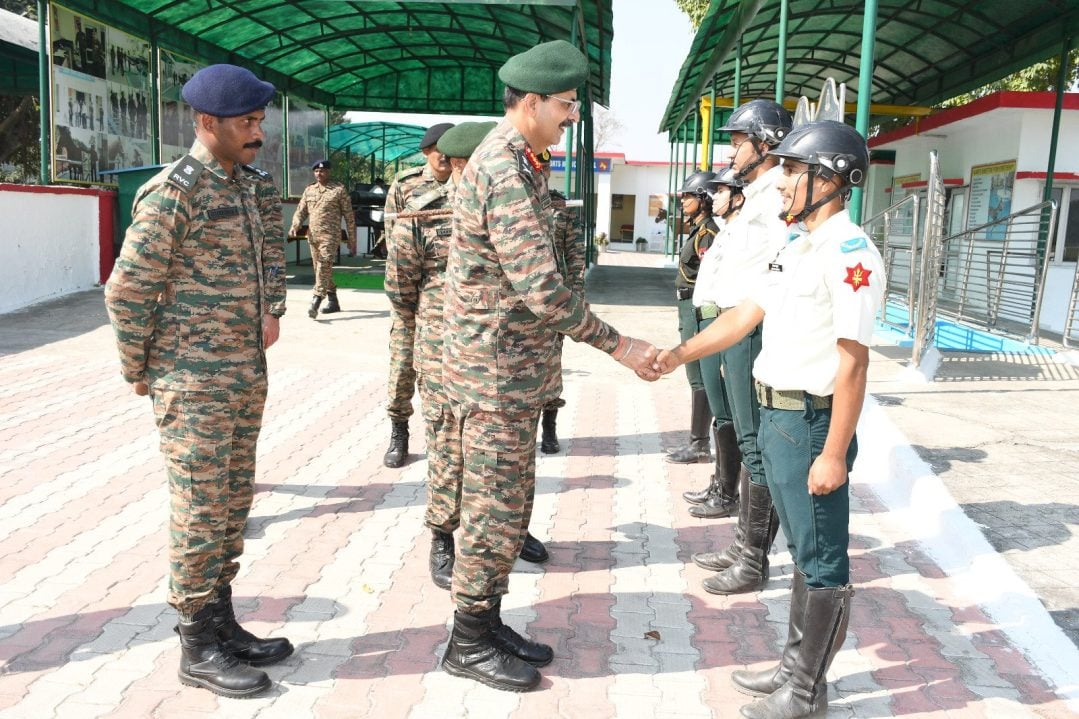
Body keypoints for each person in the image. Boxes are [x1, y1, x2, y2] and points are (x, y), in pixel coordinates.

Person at [440, 39, 658, 692]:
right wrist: (618, 344)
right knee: (491, 509)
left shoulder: (522, 161)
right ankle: (467, 638)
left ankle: (488, 618)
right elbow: (540, 286)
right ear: (529, 102)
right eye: (565, 105)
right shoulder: (503, 167)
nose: (570, 116)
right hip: (493, 373)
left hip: (513, 368)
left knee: (509, 506)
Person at [654, 120, 884, 719]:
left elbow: (853, 365)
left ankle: (806, 693)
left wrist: (834, 453)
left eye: (795, 172)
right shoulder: (796, 245)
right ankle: (792, 669)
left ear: (833, 179)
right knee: (803, 554)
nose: (781, 182)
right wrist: (677, 354)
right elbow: (743, 316)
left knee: (822, 558)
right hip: (776, 414)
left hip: (812, 423)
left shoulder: (851, 254)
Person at [103, 64, 292, 698]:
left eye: (260, 121)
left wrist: (272, 307)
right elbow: (127, 291)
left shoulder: (247, 183)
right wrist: (140, 369)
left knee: (233, 503)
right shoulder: (175, 192)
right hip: (192, 381)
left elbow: (269, 248)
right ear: (206, 123)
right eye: (246, 123)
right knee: (200, 508)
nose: (257, 133)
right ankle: (196, 643)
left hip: (242, 373)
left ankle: (220, 619)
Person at [687, 100, 793, 556]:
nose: (731, 154)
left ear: (765, 143)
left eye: (738, 143)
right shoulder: (757, 196)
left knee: (754, 443)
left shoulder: (775, 197)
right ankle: (745, 548)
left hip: (750, 327)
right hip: (734, 325)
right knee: (747, 439)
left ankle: (751, 556)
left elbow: (776, 269)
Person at [382, 122, 454, 469]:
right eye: (437, 148)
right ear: (426, 151)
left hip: (451, 306)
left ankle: (447, 441)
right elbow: (394, 237)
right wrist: (405, 302)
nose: (444, 155)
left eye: (450, 147)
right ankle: (399, 430)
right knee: (402, 368)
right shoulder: (406, 184)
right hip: (410, 299)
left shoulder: (467, 184)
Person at [666, 171, 721, 468]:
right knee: (694, 375)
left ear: (703, 200)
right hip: (686, 307)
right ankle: (696, 441)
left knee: (700, 374)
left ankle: (699, 444)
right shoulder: (697, 230)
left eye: (688, 196)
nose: (683, 200)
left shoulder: (708, 233)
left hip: (697, 309)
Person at [536, 148, 586, 455]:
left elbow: (576, 257)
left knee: (551, 366)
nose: (540, 171)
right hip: (517, 303)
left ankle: (550, 428)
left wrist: (575, 300)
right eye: (535, 166)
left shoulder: (562, 206)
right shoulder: (514, 199)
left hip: (553, 300)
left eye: (544, 167)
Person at [290, 159, 356, 318]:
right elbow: (301, 211)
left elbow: (349, 215)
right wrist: (295, 226)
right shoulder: (309, 190)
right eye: (317, 171)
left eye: (323, 171)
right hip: (313, 236)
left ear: (329, 172)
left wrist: (352, 239)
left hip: (330, 237)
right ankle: (333, 300)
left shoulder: (338, 190)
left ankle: (316, 300)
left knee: (324, 265)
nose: (320, 173)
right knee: (321, 270)